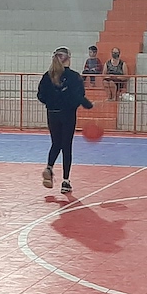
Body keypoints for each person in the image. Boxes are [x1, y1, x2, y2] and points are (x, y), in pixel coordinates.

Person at [37, 46, 93, 194]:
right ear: (68, 59)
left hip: (52, 114)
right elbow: (78, 95)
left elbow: (40, 95)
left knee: (56, 143)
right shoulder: (74, 76)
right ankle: (65, 181)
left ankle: (49, 167)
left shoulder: (47, 76)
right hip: (68, 114)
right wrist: (87, 104)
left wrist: (51, 103)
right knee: (66, 146)